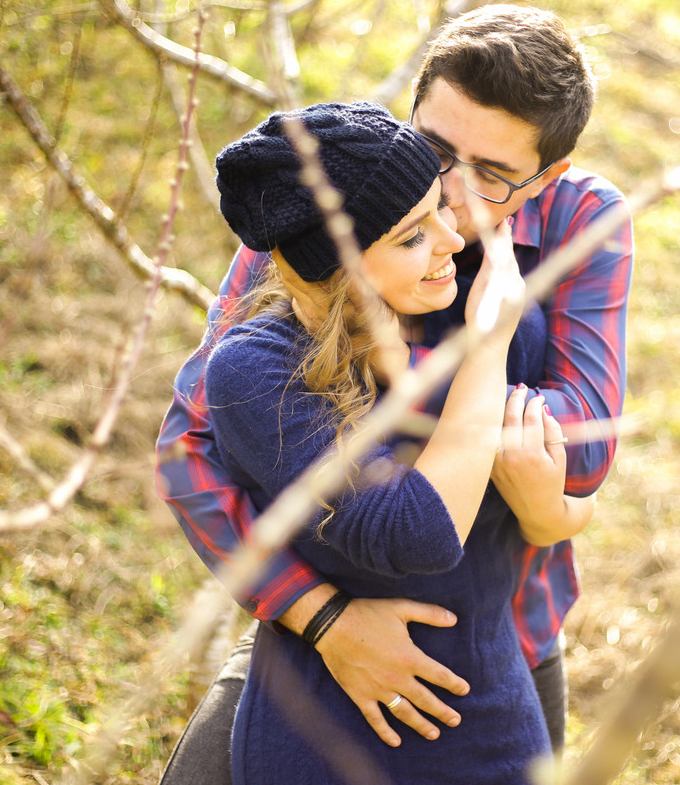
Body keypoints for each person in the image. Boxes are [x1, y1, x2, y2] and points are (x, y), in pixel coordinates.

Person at [156, 3, 634, 783]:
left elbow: (581, 450)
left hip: (504, 632)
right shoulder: (336, 190)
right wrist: (327, 620)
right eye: (436, 149)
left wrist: (551, 500)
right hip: (318, 610)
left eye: (491, 175)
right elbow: (189, 451)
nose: (448, 190)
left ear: (545, 180)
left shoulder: (584, 217)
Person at [205, 100, 576, 785]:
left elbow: (576, 477)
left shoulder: (493, 319)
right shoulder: (256, 369)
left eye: (440, 211)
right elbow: (416, 535)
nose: (453, 241)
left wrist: (552, 510)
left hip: (495, 726)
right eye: (412, 237)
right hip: (326, 735)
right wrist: (485, 350)